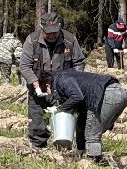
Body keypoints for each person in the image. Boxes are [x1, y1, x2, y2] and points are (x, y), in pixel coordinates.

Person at [19, 12, 87, 149]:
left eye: (54, 32)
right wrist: (35, 84)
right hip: (39, 85)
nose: (52, 35)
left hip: (61, 87)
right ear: (42, 28)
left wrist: (73, 83)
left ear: (59, 27)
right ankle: (38, 147)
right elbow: (24, 66)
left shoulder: (69, 40)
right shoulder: (32, 40)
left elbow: (79, 63)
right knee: (37, 121)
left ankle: (64, 148)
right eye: (48, 33)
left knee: (64, 118)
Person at [52, 66, 127, 163]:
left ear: (47, 85)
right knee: (88, 126)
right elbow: (82, 119)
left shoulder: (62, 79)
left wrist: (60, 109)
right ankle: (84, 154)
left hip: (107, 94)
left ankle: (94, 162)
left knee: (92, 134)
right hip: (120, 92)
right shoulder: (73, 77)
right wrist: (79, 149)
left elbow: (77, 97)